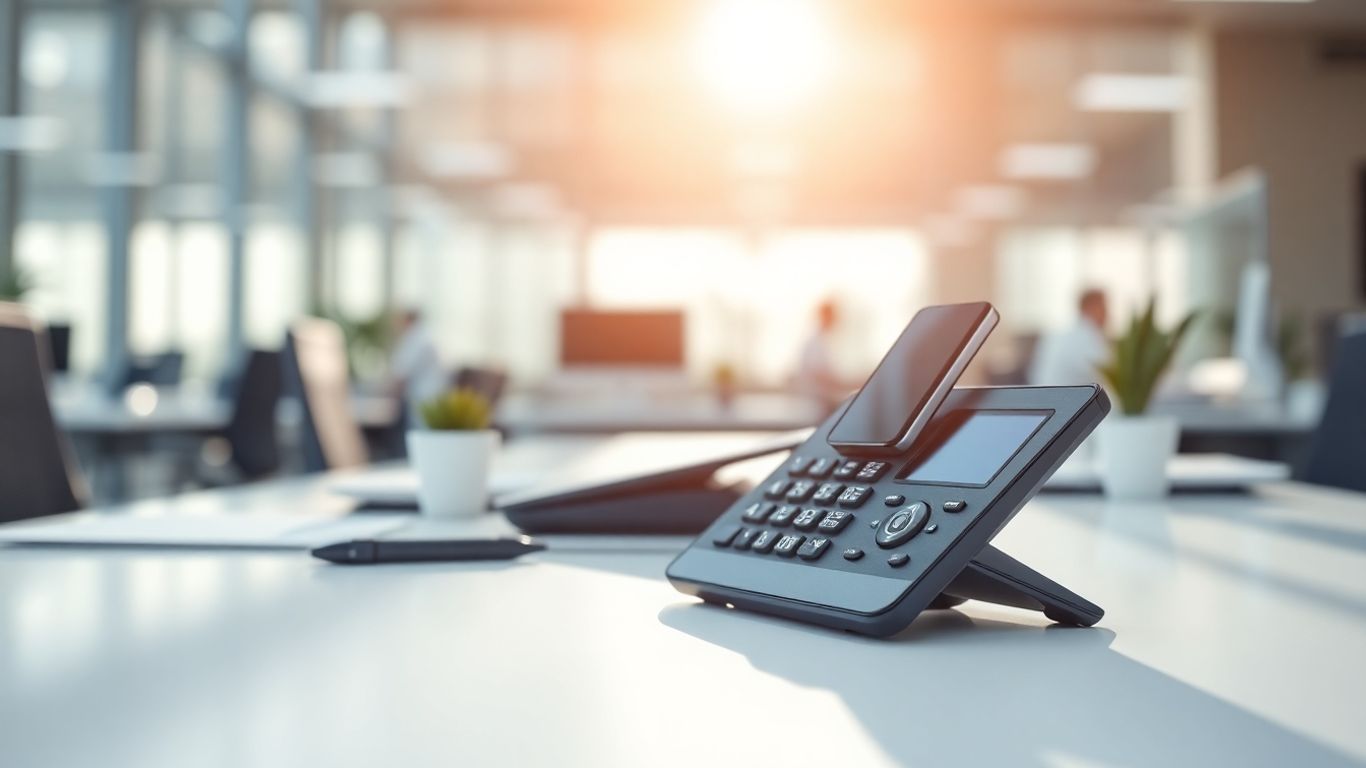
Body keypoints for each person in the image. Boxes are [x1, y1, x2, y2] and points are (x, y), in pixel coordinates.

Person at [1029, 289, 1110, 386]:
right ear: (1090, 307)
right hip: (1070, 398)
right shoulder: (1086, 338)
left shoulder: (1056, 335)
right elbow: (1107, 377)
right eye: (1104, 307)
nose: (1108, 314)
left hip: (1043, 397)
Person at [795, 300, 851, 412]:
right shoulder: (815, 342)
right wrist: (843, 384)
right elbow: (819, 374)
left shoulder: (822, 341)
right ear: (825, 316)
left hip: (821, 402)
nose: (837, 320)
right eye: (834, 316)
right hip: (816, 404)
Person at [389, 309, 449, 410]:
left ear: (406, 320)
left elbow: (402, 373)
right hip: (434, 395)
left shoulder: (414, 338)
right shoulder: (426, 335)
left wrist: (392, 396)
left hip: (423, 398)